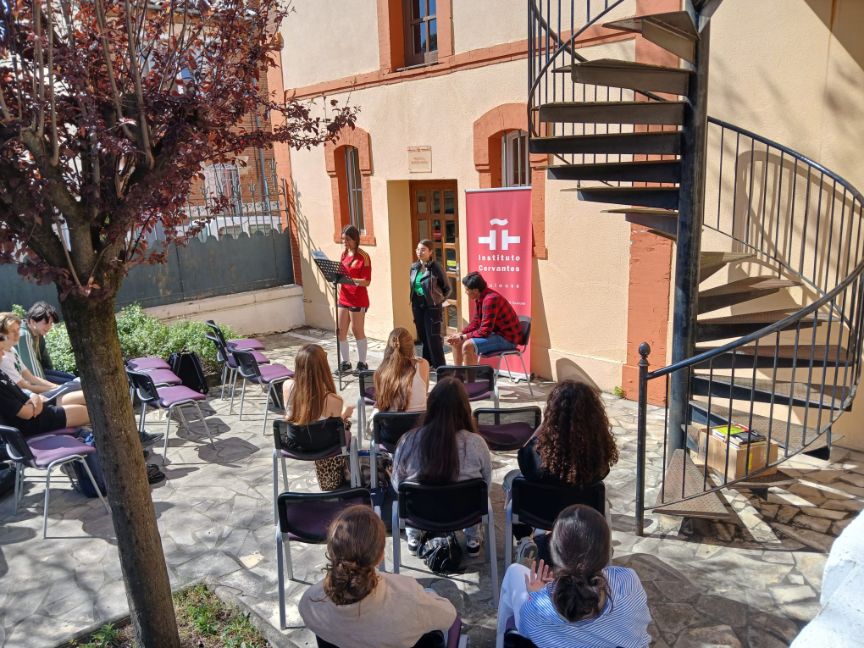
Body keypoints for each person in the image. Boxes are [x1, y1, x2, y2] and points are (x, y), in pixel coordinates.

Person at [299, 505, 458, 648]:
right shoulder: (408, 598)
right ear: (380, 556)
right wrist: (429, 596)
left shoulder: (310, 603)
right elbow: (449, 616)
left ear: (331, 550)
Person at [496, 504, 652, 648]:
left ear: (554, 553)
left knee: (514, 571)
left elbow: (525, 632)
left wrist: (536, 596)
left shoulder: (536, 610)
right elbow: (641, 626)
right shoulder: (628, 581)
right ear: (606, 553)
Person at [509, 380, 619, 565]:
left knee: (512, 482)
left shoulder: (534, 456)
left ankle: (525, 540)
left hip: (539, 512)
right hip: (579, 516)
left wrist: (544, 425)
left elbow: (524, 451)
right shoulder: (598, 458)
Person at [392, 377, 491, 555]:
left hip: (420, 514)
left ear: (431, 405)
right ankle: (473, 538)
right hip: (465, 514)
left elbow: (397, 484)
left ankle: (413, 535)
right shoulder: (477, 443)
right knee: (477, 494)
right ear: (464, 408)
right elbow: (487, 483)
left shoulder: (408, 440)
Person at [282, 344, 355, 491]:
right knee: (344, 428)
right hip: (324, 446)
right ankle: (336, 478)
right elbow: (335, 425)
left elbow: (290, 416)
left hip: (296, 443)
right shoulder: (333, 400)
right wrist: (345, 414)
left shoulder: (287, 386)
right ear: (323, 367)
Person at [0, 332, 90, 436]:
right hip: (33, 421)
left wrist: (32, 396)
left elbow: (20, 391)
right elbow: (26, 414)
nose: (3, 354)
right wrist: (36, 399)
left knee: (89, 398)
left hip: (36, 407)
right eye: (0, 350)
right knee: (90, 411)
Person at [0, 313, 85, 407]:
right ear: (3, 333)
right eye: (12, 331)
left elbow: (32, 377)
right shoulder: (4, 359)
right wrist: (57, 389)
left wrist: (57, 387)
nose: (17, 334)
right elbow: (25, 387)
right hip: (29, 399)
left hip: (35, 394)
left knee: (77, 383)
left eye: (18, 330)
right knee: (79, 386)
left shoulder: (12, 350)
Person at [445, 272, 521, 366]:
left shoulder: (490, 299)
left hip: (508, 339)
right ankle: (458, 377)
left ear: (476, 290)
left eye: (467, 290)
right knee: (456, 341)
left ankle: (470, 380)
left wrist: (463, 337)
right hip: (496, 334)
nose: (466, 292)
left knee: (468, 346)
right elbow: (476, 322)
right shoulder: (480, 297)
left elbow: (485, 331)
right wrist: (460, 334)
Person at [409, 239, 450, 369]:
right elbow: (413, 286)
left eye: (423, 249)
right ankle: (427, 365)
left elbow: (447, 288)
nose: (419, 252)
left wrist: (439, 301)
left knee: (434, 338)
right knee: (423, 337)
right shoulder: (413, 267)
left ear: (430, 252)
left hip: (432, 306)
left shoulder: (435, 267)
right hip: (417, 304)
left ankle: (440, 368)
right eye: (418, 249)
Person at [337, 224, 371, 374]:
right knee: (340, 331)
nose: (345, 243)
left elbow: (367, 281)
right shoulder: (344, 255)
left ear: (355, 239)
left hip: (358, 298)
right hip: (344, 297)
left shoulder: (364, 256)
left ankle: (362, 363)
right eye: (343, 240)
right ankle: (345, 362)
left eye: (348, 240)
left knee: (357, 330)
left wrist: (352, 280)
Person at [373, 327, 429, 414]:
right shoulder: (423, 364)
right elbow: (424, 392)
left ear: (389, 346)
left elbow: (381, 404)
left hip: (390, 426)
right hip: (419, 425)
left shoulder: (380, 372)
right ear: (412, 346)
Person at [17, 302, 76, 384]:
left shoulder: (38, 333)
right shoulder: (23, 335)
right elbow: (33, 373)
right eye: (45, 323)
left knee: (74, 380)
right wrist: (52, 388)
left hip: (41, 372)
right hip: (26, 380)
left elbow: (45, 360)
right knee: (71, 384)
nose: (49, 327)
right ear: (32, 321)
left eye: (51, 323)